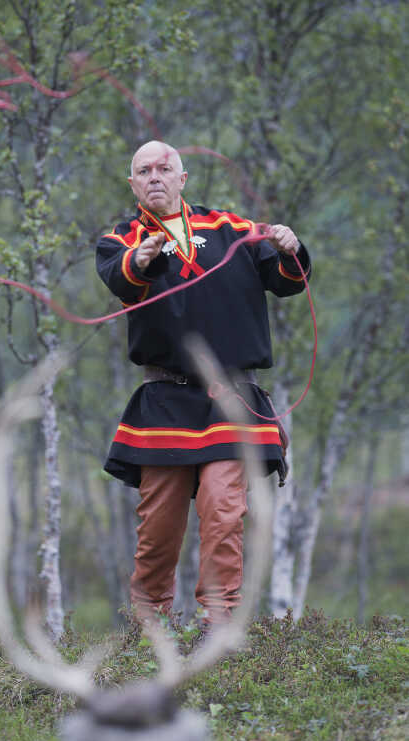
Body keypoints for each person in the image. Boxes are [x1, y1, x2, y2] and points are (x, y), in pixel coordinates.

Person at [96, 140, 311, 626]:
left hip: (230, 398)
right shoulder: (122, 238)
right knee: (158, 527)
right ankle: (149, 629)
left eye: (163, 168)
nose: (154, 176)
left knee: (223, 512)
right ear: (132, 184)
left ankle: (219, 625)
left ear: (182, 178)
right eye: (144, 171)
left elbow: (287, 280)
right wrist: (142, 258)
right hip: (164, 399)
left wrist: (290, 248)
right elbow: (121, 278)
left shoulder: (232, 228)